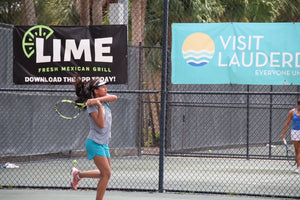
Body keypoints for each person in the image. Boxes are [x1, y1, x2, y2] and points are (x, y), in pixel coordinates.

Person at [71, 75, 117, 200]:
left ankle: (78, 174)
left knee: (105, 173)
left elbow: (115, 97)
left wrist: (99, 101)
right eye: (102, 87)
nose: (106, 89)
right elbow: (101, 125)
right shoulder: (92, 106)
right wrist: (98, 105)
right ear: (96, 91)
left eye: (105, 87)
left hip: (104, 143)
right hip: (94, 142)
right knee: (106, 174)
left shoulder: (103, 100)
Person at [281, 98, 300, 173]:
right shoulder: (292, 112)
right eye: (299, 105)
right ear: (297, 104)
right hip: (295, 132)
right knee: (297, 150)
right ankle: (298, 167)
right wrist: (283, 133)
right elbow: (287, 123)